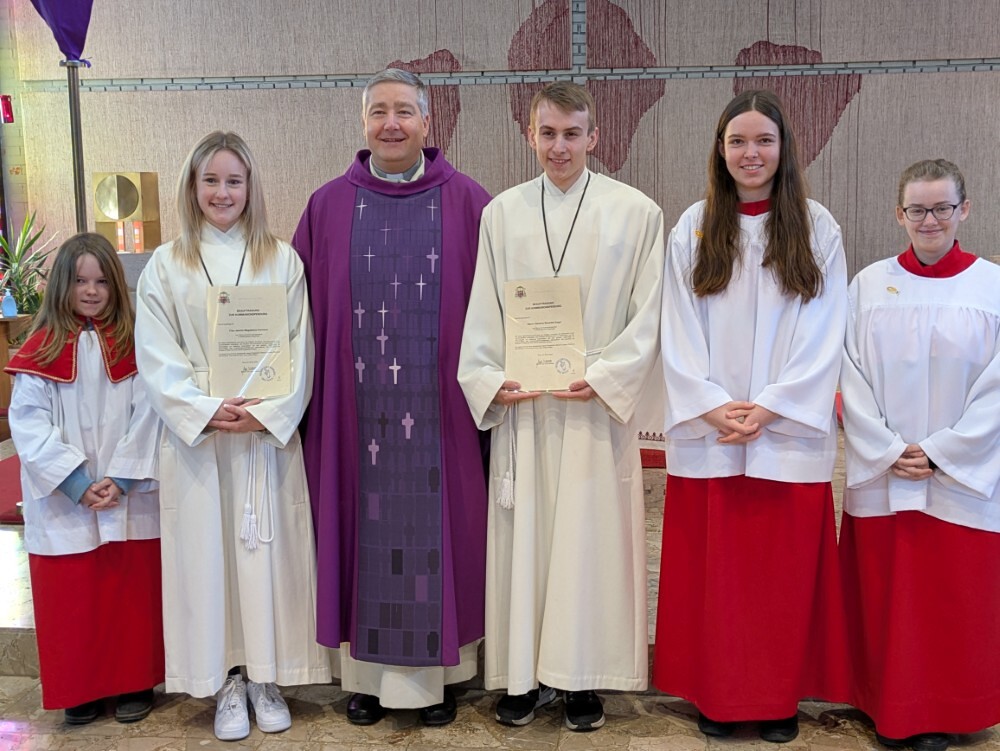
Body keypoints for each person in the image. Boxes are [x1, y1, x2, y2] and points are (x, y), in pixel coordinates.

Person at [457, 81, 664, 732]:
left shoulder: (637, 213)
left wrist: (605, 376)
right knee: (527, 546)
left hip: (593, 407)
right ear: (530, 135)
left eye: (573, 133)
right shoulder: (502, 214)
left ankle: (581, 679)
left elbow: (649, 315)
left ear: (594, 137)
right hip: (526, 405)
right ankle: (523, 677)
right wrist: (489, 377)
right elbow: (484, 308)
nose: (560, 146)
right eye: (547, 133)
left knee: (588, 546)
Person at [292, 68, 490, 727]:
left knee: (442, 530)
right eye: (379, 111)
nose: (392, 123)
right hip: (359, 418)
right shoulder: (326, 208)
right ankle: (366, 679)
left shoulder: (470, 204)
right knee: (364, 529)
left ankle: (442, 680)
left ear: (428, 123)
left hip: (442, 415)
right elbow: (297, 318)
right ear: (363, 123)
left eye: (405, 110)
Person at [654, 89, 850, 743]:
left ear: (783, 148)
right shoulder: (695, 225)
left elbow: (826, 329)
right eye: (737, 141)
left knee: (778, 581)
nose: (751, 153)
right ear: (720, 150)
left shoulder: (816, 227)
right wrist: (711, 405)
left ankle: (777, 699)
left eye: (763, 140)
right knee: (720, 581)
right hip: (712, 433)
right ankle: (718, 697)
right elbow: (676, 326)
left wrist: (771, 407)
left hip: (783, 435)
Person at [136, 131, 330, 742]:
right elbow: (155, 352)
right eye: (211, 181)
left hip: (260, 435)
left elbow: (301, 346)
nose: (223, 193)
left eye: (234, 181)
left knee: (265, 557)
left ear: (251, 188)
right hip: (201, 438)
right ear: (192, 187)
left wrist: (268, 412)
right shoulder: (167, 264)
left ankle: (267, 678)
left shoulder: (281, 260)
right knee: (208, 560)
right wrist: (201, 408)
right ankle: (226, 681)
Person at [840, 159, 1000, 751]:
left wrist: (939, 452)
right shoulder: (868, 285)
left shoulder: (991, 286)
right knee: (888, 596)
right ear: (898, 214)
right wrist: (887, 448)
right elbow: (848, 373)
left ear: (964, 209)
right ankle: (886, 703)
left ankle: (950, 707)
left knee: (952, 596)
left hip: (962, 476)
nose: (929, 220)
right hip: (885, 473)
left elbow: (997, 387)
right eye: (917, 209)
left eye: (941, 208)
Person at [6, 233, 163, 725]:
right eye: (80, 281)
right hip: (64, 501)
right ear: (62, 285)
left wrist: (121, 477)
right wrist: (75, 480)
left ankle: (135, 680)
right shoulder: (39, 351)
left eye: (101, 282)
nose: (91, 291)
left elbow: (149, 414)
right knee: (73, 598)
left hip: (126, 493)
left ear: (116, 286)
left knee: (129, 591)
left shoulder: (136, 346)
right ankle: (81, 687)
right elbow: (29, 424)